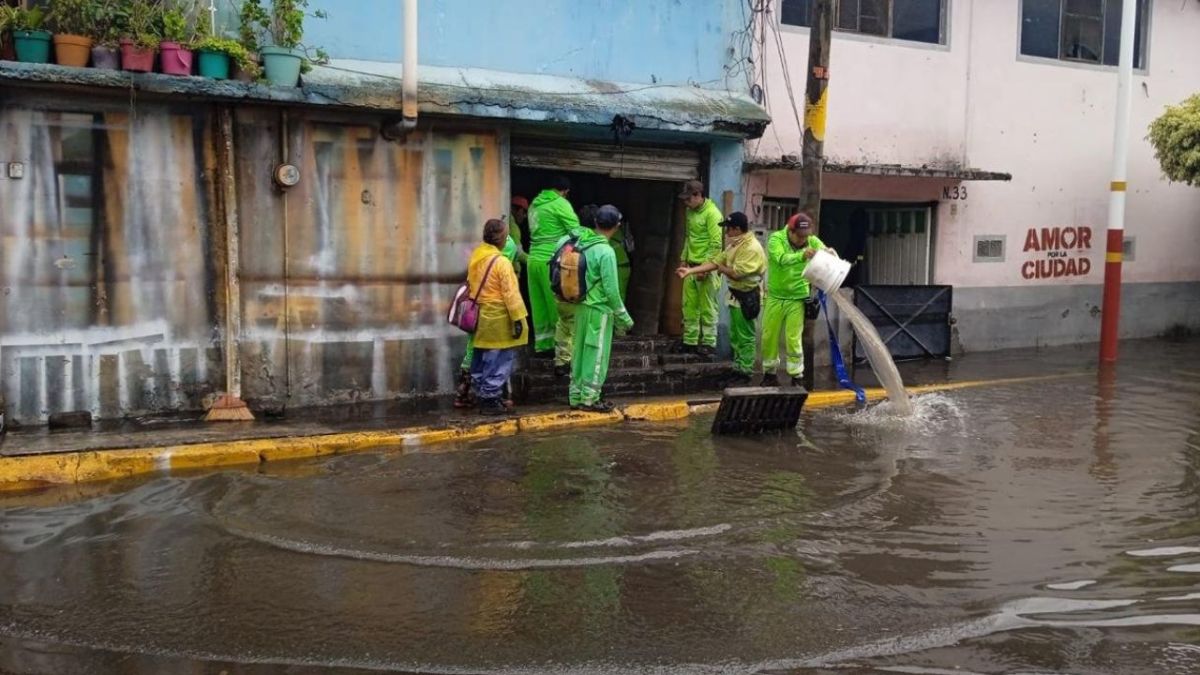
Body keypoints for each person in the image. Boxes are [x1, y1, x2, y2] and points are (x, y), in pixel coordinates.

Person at [676, 211, 765, 384]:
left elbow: (736, 274)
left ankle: (745, 372)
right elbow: (716, 262)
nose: (726, 233)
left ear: (737, 229)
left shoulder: (751, 248)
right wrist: (690, 271)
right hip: (735, 296)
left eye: (729, 230)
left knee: (745, 336)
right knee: (735, 335)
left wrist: (722, 269)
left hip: (747, 297)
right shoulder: (734, 245)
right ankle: (737, 368)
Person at [569, 205, 634, 412]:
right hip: (599, 310)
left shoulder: (582, 243)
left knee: (578, 352)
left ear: (596, 223)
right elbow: (612, 291)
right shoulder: (606, 251)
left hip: (580, 307)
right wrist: (625, 317)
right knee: (596, 355)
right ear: (616, 226)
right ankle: (590, 398)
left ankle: (576, 396)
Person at [761, 212, 833, 387]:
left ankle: (796, 376)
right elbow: (780, 259)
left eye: (806, 236)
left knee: (793, 338)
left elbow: (826, 252)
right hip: (776, 296)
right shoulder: (776, 239)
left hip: (797, 297)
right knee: (769, 335)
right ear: (791, 231)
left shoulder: (812, 240)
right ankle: (770, 373)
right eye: (800, 236)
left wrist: (829, 253)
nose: (803, 240)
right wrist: (802, 256)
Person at [455, 230, 525, 408]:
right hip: (498, 319)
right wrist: (518, 318)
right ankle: (490, 398)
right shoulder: (502, 262)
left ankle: (482, 394)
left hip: (480, 316)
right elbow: (511, 294)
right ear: (501, 240)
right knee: (500, 359)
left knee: (481, 356)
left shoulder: (477, 256)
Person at [527, 177, 581, 362]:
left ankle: (543, 346)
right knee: (556, 306)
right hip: (551, 261)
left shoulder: (535, 204)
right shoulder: (560, 203)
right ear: (564, 191)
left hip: (533, 260)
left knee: (539, 304)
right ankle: (561, 351)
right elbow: (576, 231)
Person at [678, 180, 723, 359]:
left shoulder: (713, 214)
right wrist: (683, 259)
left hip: (707, 269)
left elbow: (716, 245)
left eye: (688, 199)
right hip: (690, 265)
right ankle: (690, 341)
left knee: (708, 307)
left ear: (698, 195)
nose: (686, 203)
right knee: (689, 306)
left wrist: (705, 267)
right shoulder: (690, 211)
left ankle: (709, 344)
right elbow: (689, 237)